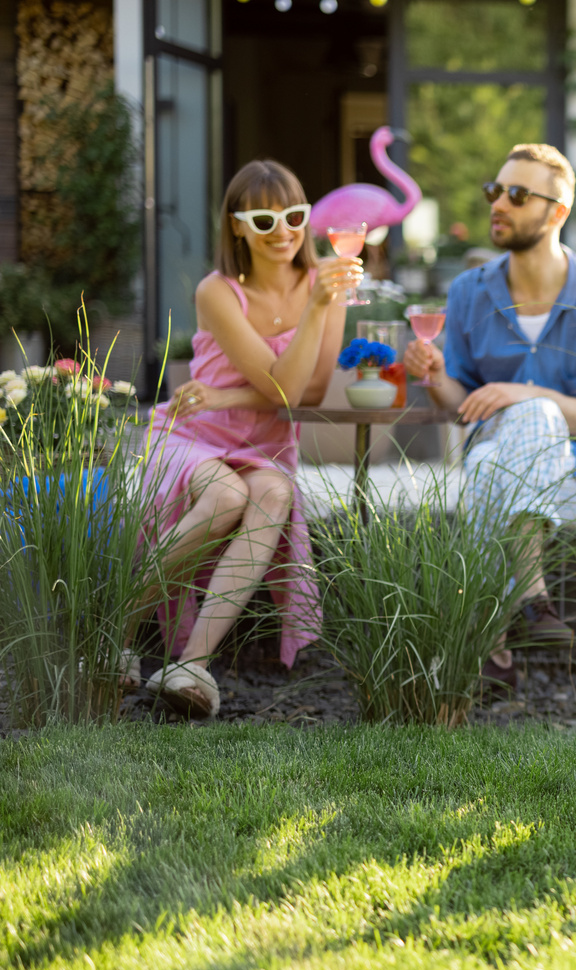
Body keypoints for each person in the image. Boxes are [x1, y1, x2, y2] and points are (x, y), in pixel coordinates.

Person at [139, 159, 360, 717]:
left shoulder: (322, 285)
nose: (283, 231)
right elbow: (284, 383)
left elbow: (303, 396)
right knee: (225, 496)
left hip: (264, 441)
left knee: (275, 495)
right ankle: (112, 628)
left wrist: (229, 394)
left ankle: (190, 666)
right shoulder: (219, 292)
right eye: (264, 221)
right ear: (237, 226)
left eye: (293, 216)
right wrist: (316, 306)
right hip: (194, 433)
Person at [402, 143, 576, 684]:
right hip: (499, 465)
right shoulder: (468, 293)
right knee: (490, 457)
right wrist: (434, 377)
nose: (498, 204)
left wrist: (521, 395)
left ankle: (487, 642)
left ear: (557, 213)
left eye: (518, 194)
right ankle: (533, 598)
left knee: (528, 418)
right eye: (495, 191)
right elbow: (462, 409)